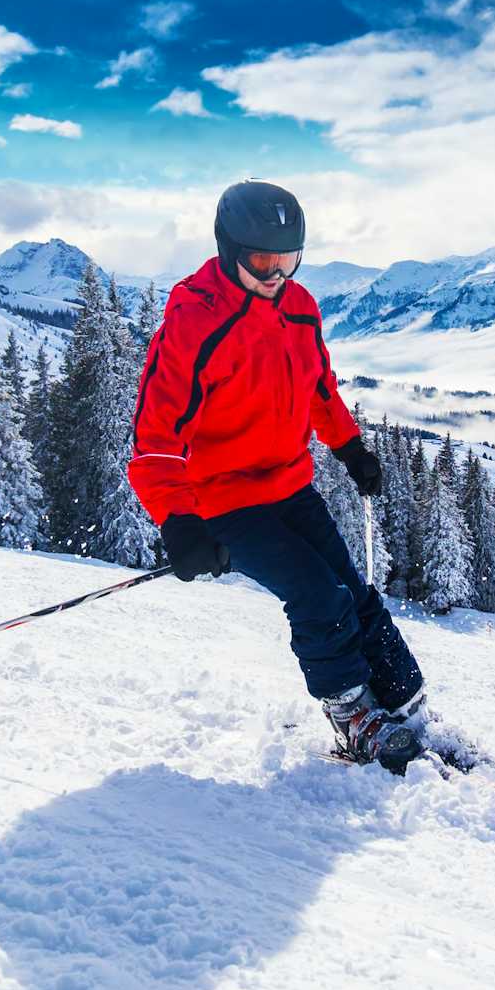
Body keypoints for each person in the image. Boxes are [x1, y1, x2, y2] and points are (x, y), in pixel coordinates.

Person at [127, 181, 428, 771]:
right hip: (224, 501)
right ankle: (354, 718)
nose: (274, 274)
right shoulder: (194, 320)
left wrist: (350, 447)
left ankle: (405, 702)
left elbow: (318, 389)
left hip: (290, 483)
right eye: (261, 261)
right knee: (319, 598)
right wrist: (179, 521)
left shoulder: (300, 307)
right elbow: (155, 438)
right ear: (227, 249)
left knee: (354, 591)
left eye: (286, 260)